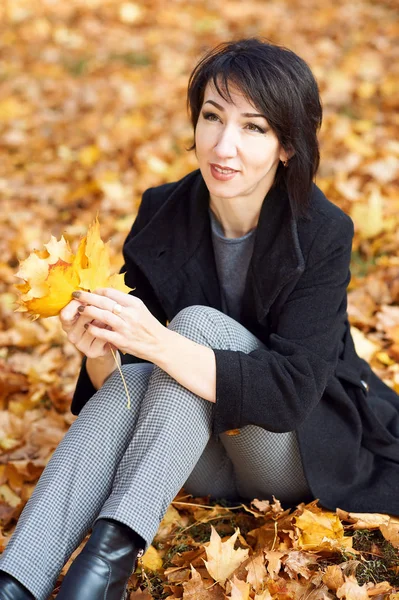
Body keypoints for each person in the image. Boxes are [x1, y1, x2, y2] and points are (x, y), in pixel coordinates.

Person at [0, 37, 398, 600]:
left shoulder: (322, 231)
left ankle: (104, 563)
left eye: (254, 128)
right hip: (193, 456)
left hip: (288, 451)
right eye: (212, 117)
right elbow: (126, 387)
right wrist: (99, 355)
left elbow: (290, 395)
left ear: (287, 146)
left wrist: (160, 343)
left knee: (196, 327)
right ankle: (18, 582)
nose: (224, 144)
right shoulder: (162, 212)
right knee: (143, 370)